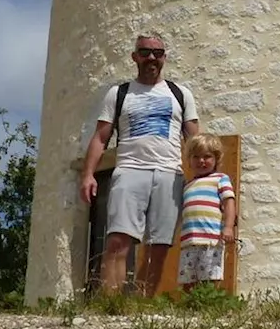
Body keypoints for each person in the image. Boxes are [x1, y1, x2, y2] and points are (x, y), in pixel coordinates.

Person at [79, 32, 200, 295]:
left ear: (164, 57)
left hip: (169, 173)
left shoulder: (181, 94)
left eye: (157, 53)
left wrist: (205, 178)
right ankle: (110, 306)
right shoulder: (119, 93)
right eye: (145, 52)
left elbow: (195, 139)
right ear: (135, 57)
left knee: (159, 247)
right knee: (118, 241)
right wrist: (88, 174)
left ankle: (142, 311)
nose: (151, 58)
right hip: (130, 170)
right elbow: (101, 137)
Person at [177, 133, 236, 292]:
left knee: (209, 276)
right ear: (189, 160)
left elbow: (229, 202)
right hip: (190, 240)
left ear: (216, 159)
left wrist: (228, 227)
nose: (201, 161)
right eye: (196, 157)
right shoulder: (188, 185)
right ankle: (189, 308)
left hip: (210, 239)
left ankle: (208, 305)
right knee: (188, 278)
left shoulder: (220, 179)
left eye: (207, 156)